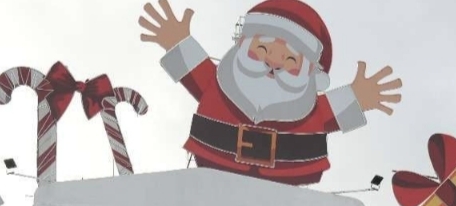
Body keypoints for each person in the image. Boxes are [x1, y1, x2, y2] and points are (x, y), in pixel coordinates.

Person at [139, 0, 402, 185]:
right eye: (263, 50)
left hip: (293, 171)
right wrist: (177, 42)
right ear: (242, 45)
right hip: (213, 157)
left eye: (290, 60)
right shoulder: (220, 83)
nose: (274, 63)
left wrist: (358, 97)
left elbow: (332, 110)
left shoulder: (309, 107)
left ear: (311, 72)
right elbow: (194, 68)